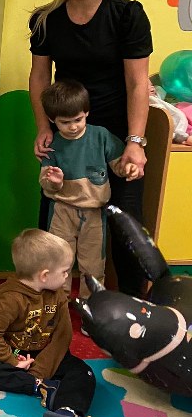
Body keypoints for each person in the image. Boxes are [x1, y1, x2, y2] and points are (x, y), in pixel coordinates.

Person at [29, 0, 152, 296]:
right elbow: (39, 77)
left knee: (125, 222)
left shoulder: (126, 15)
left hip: (116, 129)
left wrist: (135, 141)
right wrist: (43, 126)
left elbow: (137, 82)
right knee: (55, 216)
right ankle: (50, 302)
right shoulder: (46, 20)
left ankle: (132, 305)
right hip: (67, 130)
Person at [0, 229, 97, 417]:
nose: (68, 277)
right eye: (65, 272)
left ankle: (67, 411)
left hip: (47, 354)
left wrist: (40, 369)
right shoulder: (11, 299)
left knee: (84, 372)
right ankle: (41, 387)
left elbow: (62, 336)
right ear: (44, 275)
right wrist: (12, 360)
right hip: (15, 355)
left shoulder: (58, 295)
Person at [39, 80, 139, 299]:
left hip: (94, 213)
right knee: (58, 260)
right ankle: (57, 304)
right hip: (61, 211)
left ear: (86, 113)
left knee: (93, 263)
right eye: (65, 122)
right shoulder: (52, 144)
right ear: (52, 120)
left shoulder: (101, 136)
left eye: (78, 119)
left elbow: (119, 165)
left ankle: (93, 304)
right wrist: (54, 182)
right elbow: (45, 182)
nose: (73, 127)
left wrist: (128, 168)